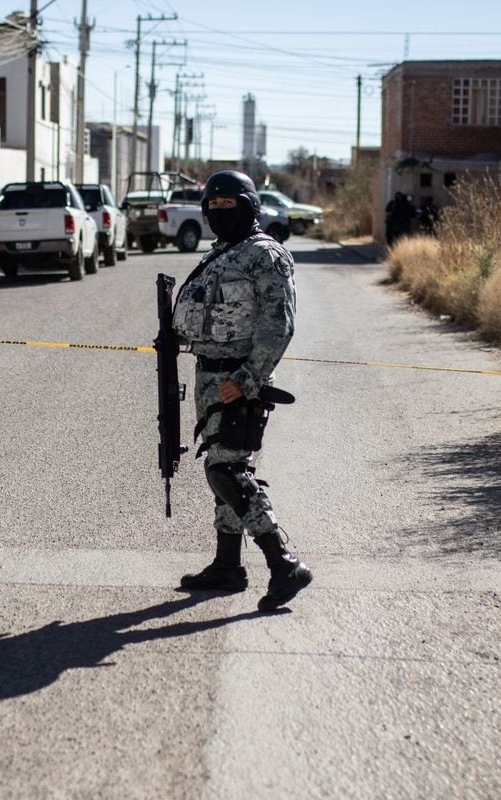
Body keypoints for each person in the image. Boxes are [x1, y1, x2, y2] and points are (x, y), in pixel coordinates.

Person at [171, 170, 312, 612]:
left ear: (249, 207)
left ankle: (283, 562)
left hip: (237, 381)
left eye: (228, 206)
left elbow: (279, 326)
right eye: (212, 207)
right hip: (209, 376)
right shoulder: (221, 254)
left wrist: (247, 381)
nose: (218, 213)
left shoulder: (264, 256)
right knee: (222, 469)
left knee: (227, 471)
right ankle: (227, 566)